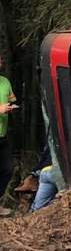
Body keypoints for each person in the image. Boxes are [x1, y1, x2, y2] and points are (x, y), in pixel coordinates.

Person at [0, 51, 17, 208]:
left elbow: (11, 98)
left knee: (7, 170)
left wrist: (11, 106)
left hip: (2, 134)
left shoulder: (5, 81)